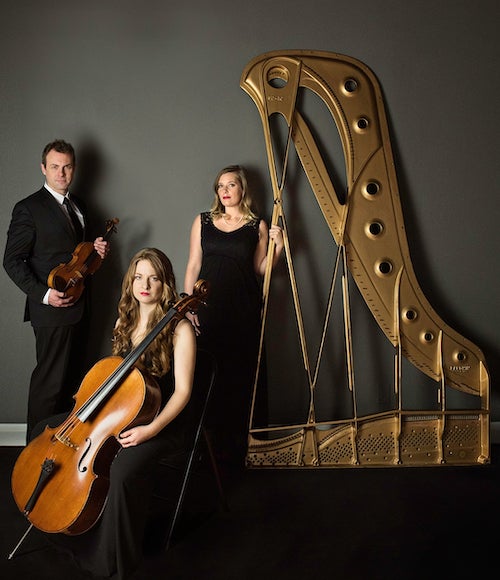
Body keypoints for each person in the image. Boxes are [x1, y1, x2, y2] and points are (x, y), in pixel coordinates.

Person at [32, 247, 197, 579]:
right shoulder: (126, 320)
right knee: (44, 428)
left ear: (165, 284)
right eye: (138, 277)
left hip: (159, 423)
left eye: (153, 278)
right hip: (119, 416)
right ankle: (59, 519)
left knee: (120, 471)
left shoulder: (180, 330)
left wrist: (150, 431)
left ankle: (112, 560)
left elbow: (183, 393)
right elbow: (113, 377)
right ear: (131, 282)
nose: (145, 284)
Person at [3, 139, 110, 442]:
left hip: (81, 308)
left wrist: (97, 250)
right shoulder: (28, 208)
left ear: (73, 168)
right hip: (51, 310)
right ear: (43, 168)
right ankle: (33, 456)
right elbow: (11, 260)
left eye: (67, 167)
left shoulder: (80, 206)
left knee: (72, 386)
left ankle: (59, 452)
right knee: (48, 388)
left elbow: (81, 257)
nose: (61, 173)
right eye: (54, 167)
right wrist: (44, 295)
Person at [183, 164, 283, 467]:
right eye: (221, 186)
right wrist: (189, 306)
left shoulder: (257, 226)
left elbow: (260, 269)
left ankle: (243, 448)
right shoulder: (203, 221)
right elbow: (192, 265)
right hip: (209, 310)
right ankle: (208, 448)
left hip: (243, 311)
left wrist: (279, 246)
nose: (225, 191)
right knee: (208, 376)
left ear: (242, 190)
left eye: (231, 185)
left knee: (241, 377)